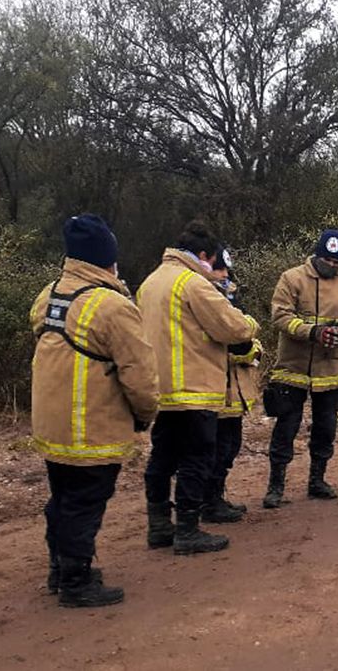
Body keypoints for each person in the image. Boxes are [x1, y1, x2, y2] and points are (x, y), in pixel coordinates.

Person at [30, 214, 158, 607]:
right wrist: (144, 414)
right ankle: (76, 581)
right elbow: (139, 374)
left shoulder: (48, 294)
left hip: (51, 424)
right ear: (108, 258)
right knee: (86, 502)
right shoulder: (113, 306)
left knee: (63, 498)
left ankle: (60, 568)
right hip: (91, 425)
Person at [138, 222, 259, 555]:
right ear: (204, 255)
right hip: (194, 387)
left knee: (162, 458)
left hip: (160, 388)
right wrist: (250, 323)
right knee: (196, 458)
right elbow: (234, 327)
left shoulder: (150, 283)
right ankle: (188, 530)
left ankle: (160, 524)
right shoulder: (193, 283)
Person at [262, 229, 338, 508]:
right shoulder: (291, 278)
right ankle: (276, 486)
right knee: (286, 427)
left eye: (337, 263)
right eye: (327, 261)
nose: (331, 266)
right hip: (292, 368)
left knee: (326, 427)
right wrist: (312, 332)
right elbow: (280, 316)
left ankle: (317, 480)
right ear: (317, 255)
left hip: (329, 370)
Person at [201, 247, 263, 523]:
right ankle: (206, 503)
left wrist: (252, 350)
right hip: (211, 387)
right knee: (208, 449)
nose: (224, 275)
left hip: (234, 387)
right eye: (219, 270)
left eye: (227, 270)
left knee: (229, 446)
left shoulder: (231, 295)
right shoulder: (200, 297)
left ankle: (215, 497)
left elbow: (246, 332)